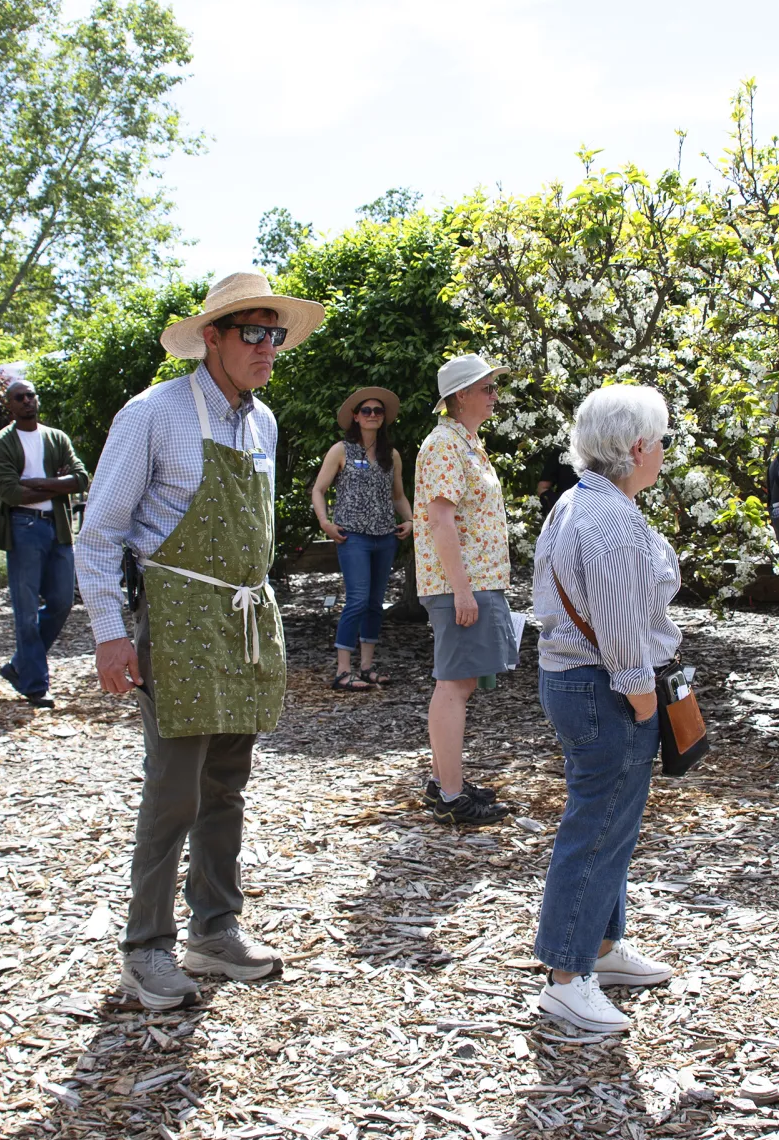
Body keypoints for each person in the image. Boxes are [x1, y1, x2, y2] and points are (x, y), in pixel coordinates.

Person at [78, 270, 323, 1010]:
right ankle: (145, 945)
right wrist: (111, 634)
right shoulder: (154, 413)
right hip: (177, 619)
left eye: (274, 334)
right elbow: (98, 537)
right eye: (251, 331)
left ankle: (214, 927)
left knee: (227, 785)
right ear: (210, 337)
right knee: (173, 790)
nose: (266, 347)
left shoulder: (264, 422)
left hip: (242, 621)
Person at [530, 384, 679, 1033]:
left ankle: (600, 947)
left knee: (608, 818)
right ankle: (567, 975)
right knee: (597, 824)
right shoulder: (614, 521)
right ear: (638, 446)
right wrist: (650, 711)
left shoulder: (578, 498)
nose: (667, 453)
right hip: (602, 687)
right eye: (664, 440)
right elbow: (622, 643)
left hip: (571, 680)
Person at [416, 354, 518, 826]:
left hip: (477, 583)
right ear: (461, 396)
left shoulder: (467, 443)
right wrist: (461, 591)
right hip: (464, 584)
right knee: (454, 684)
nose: (494, 395)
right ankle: (451, 797)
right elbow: (440, 519)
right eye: (487, 388)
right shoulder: (444, 444)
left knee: (461, 681)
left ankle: (445, 782)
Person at [0, 380, 90, 708]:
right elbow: (8, 491)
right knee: (26, 610)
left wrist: (37, 483)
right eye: (19, 398)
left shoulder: (56, 438)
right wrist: (57, 486)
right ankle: (35, 684)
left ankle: (19, 665)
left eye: (31, 395)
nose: (27, 401)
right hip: (23, 527)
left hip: (57, 527)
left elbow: (80, 478)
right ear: (10, 405)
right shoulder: (2, 442)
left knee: (62, 602)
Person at [311, 386, 414, 691]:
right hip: (352, 536)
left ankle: (367, 667)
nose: (372, 416)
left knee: (374, 603)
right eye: (366, 411)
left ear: (383, 418)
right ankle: (343, 671)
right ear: (355, 416)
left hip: (385, 537)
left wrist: (410, 520)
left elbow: (398, 495)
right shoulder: (341, 450)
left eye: (377, 411)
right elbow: (319, 489)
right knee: (356, 600)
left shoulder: (390, 455)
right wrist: (325, 523)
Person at [536, 448, 580, 519]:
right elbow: (542, 488)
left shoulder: (602, 452)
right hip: (564, 515)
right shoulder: (562, 449)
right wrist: (561, 506)